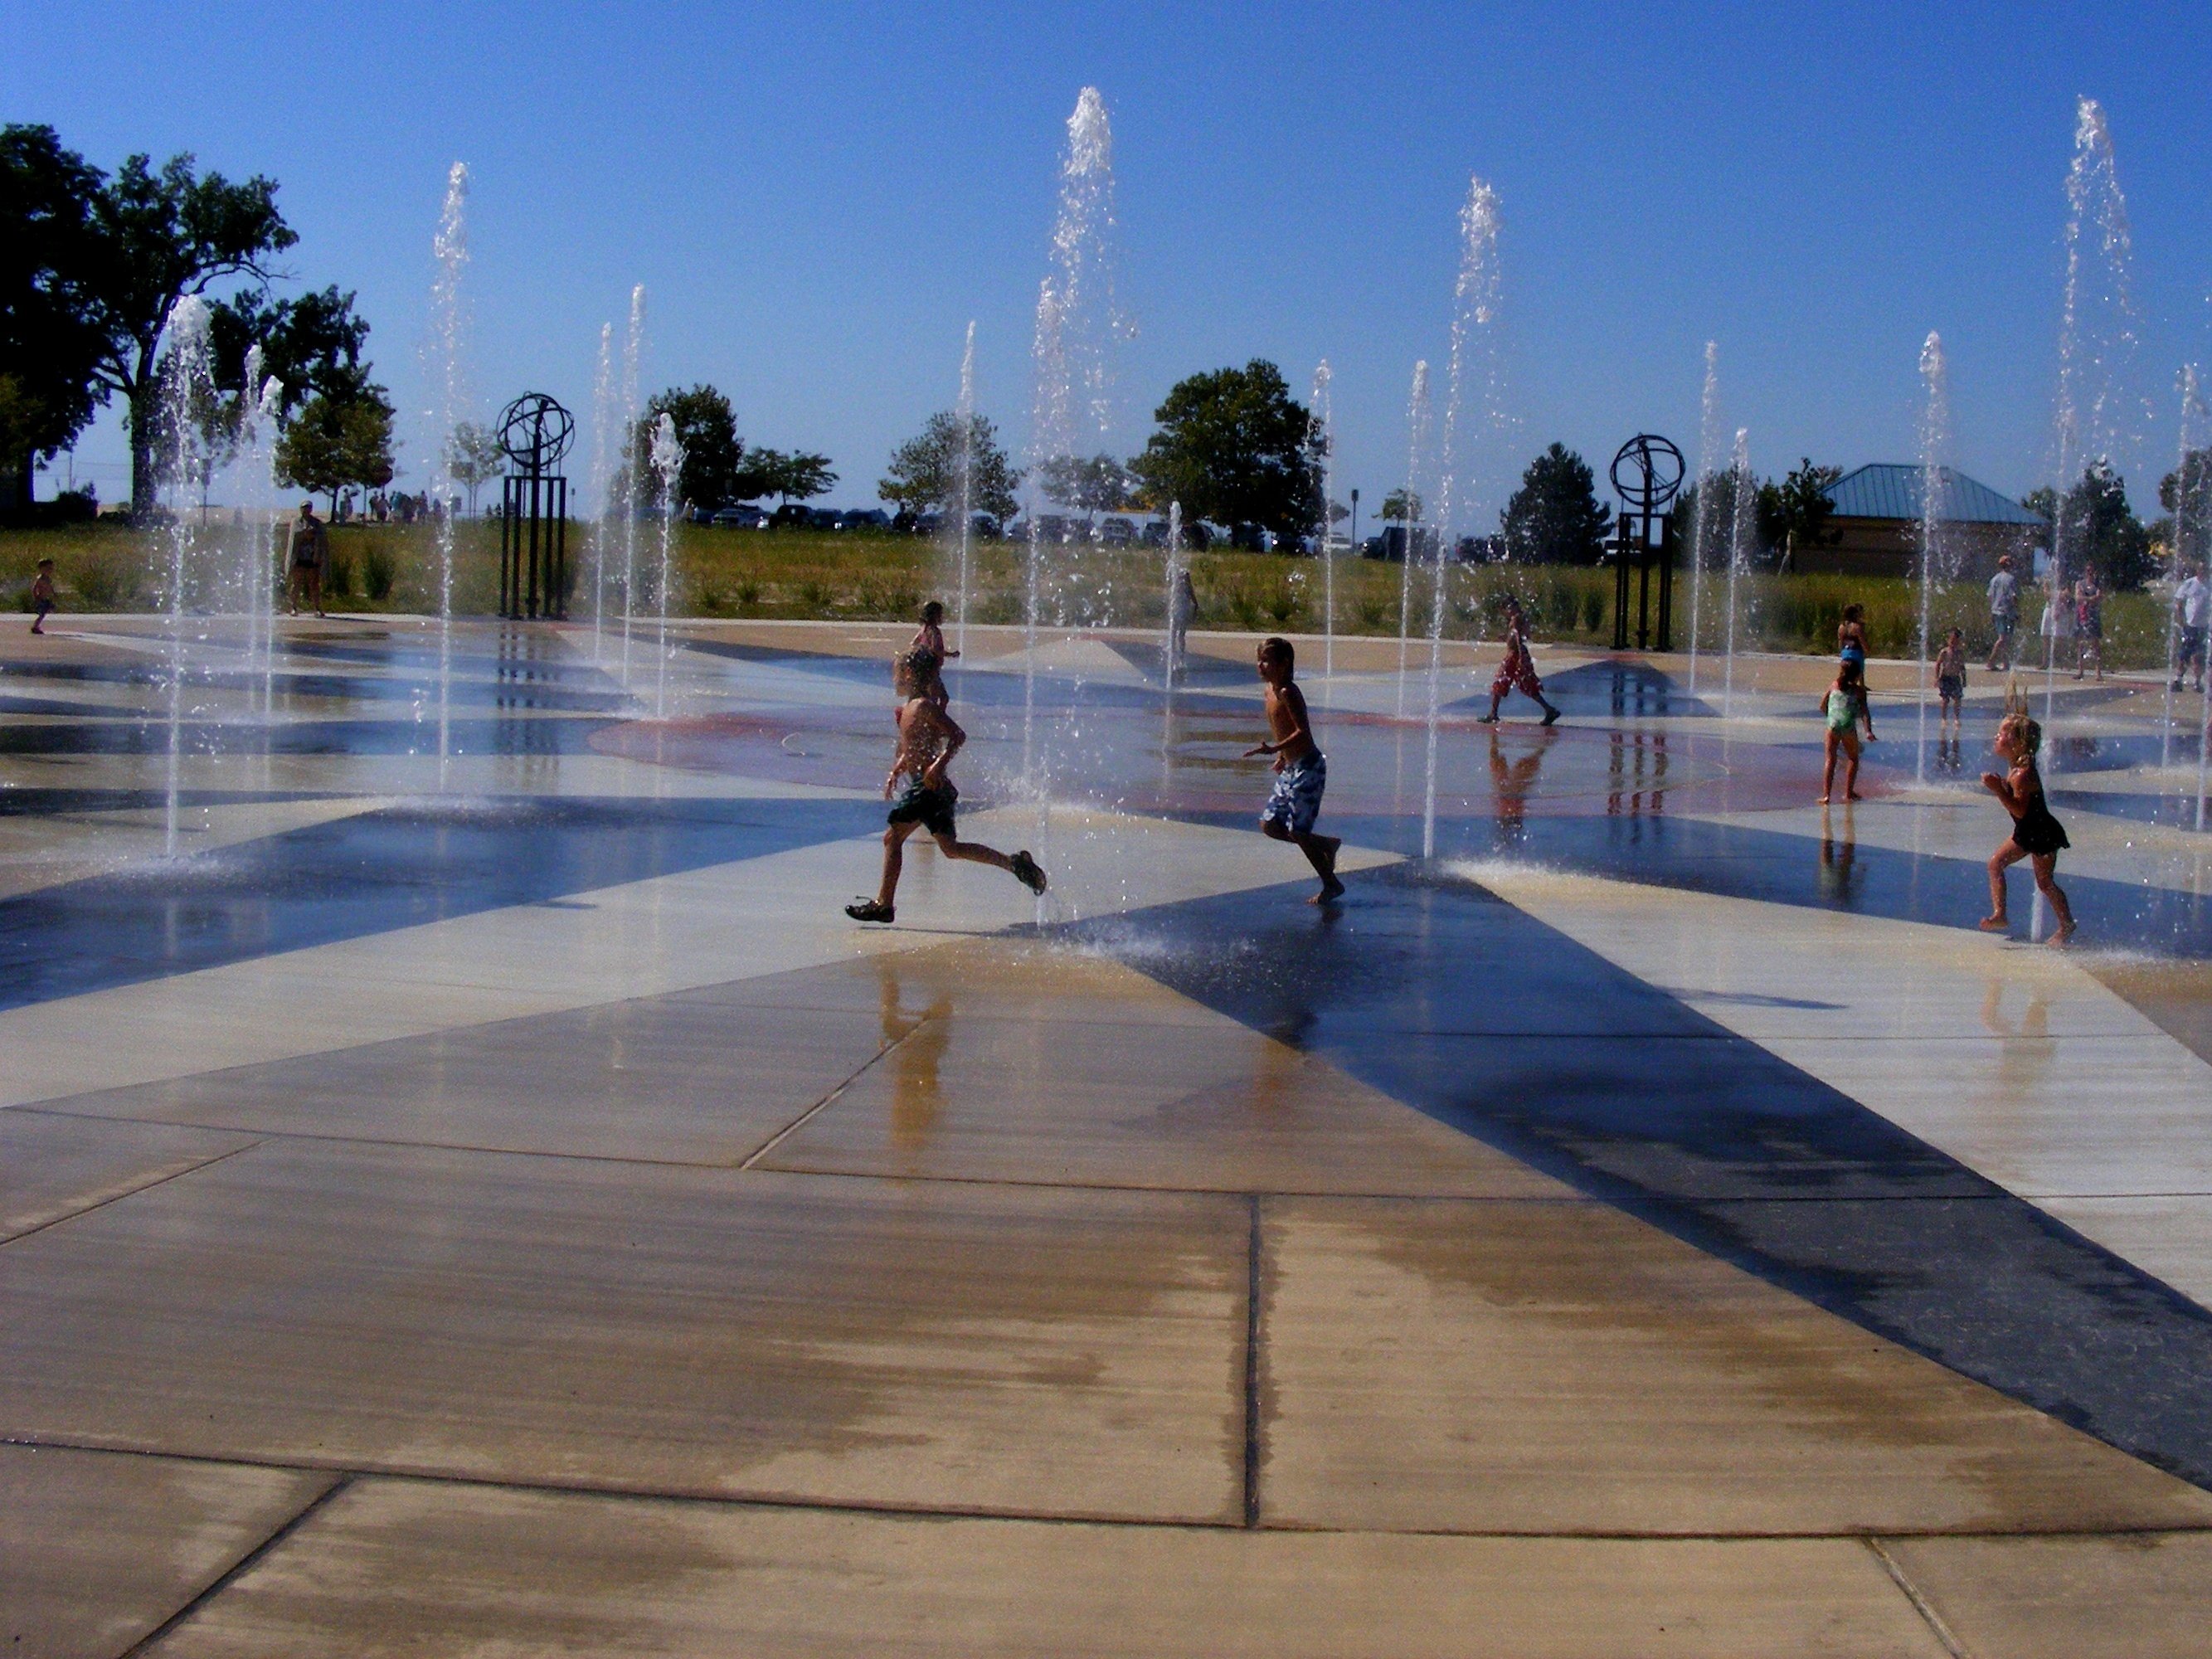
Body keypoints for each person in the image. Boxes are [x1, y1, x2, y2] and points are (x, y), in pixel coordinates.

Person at [845, 649, 1045, 925]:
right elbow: (915, 746)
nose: (892, 680)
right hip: (929, 788)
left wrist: (938, 766)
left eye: (895, 673)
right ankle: (1014, 864)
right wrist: (899, 767)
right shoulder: (910, 708)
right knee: (951, 849)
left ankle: (884, 904)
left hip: (928, 788)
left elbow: (957, 736)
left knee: (893, 838)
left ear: (908, 674)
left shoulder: (924, 707)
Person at [1245, 635, 1344, 902]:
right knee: (1269, 825)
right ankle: (1325, 844)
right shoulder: (1269, 691)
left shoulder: (1289, 691)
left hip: (1309, 767)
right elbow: (1282, 726)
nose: (1261, 666)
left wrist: (1275, 749)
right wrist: (1283, 757)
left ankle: (1331, 883)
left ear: (1284, 663)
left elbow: (1303, 732)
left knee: (1298, 831)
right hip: (1291, 766)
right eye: (1259, 660)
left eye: (1267, 661)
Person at [1979, 711, 2075, 946]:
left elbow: (2020, 810)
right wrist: (2002, 784)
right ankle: (2000, 914)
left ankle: (2067, 924)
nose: (1996, 736)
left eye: (2002, 734)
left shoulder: (2023, 775)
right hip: (2026, 830)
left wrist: (1999, 790)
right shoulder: (2015, 770)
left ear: (2018, 743)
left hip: (2041, 833)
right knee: (1995, 864)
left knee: (2045, 882)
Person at [1477, 596, 1562, 726]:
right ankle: (1549, 710)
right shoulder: (1522, 617)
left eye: (1507, 609)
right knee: (1527, 685)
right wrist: (1507, 637)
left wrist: (1520, 656)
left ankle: (1493, 714)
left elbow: (1518, 637)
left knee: (1500, 681)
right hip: (1520, 654)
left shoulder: (1516, 618)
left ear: (1511, 607)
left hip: (1515, 655)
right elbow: (1525, 635)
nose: (1506, 612)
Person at [1819, 662, 1875, 804]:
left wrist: (1832, 716)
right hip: (1848, 726)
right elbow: (1865, 713)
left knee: (1830, 760)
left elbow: (1822, 705)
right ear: (1857, 675)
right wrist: (1868, 731)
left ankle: (1826, 796)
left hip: (1832, 726)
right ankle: (1848, 793)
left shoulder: (1834, 685)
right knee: (1853, 758)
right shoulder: (1859, 691)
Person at [285, 501, 328, 617]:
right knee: (296, 583)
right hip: (299, 557)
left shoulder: (317, 523)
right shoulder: (296, 522)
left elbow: (320, 537)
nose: (307, 510)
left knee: (314, 584)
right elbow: (295, 536)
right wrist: (304, 534)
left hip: (312, 557)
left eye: (309, 508)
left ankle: (318, 608)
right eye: (304, 508)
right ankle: (293, 607)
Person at [2173, 563, 2209, 693]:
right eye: (2201, 569)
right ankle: (2178, 680)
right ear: (2197, 570)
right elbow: (2179, 603)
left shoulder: (2209, 585)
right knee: (2184, 655)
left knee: (2199, 656)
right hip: (2190, 626)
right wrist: (2181, 621)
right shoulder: (2189, 584)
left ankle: (2197, 682)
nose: (2203, 571)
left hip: (2203, 627)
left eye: (2205, 569)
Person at [1986, 554, 2020, 669]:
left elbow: (1990, 596)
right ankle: (1991, 662)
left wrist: (1991, 610)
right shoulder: (2011, 579)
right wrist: (2017, 610)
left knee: (2005, 638)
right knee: (2003, 638)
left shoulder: (1994, 579)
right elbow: (2014, 596)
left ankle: (2006, 663)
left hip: (1996, 611)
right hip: (2006, 612)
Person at [2073, 565, 2104, 680]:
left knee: (2095, 643)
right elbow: (2078, 597)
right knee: (2080, 643)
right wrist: (2091, 599)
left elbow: (2099, 597)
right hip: (2082, 615)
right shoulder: (2079, 583)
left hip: (2093, 615)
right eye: (2087, 571)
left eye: (2091, 571)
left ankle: (2098, 672)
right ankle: (2080, 670)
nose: (2089, 573)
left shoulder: (2097, 585)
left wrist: (2086, 598)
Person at [1935, 626, 1966, 734]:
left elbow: (1962, 667)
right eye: (1951, 640)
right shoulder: (1944, 652)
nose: (1953, 642)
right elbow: (1938, 664)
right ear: (1948, 640)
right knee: (1945, 699)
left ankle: (1956, 718)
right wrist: (1937, 677)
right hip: (1946, 678)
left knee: (1957, 699)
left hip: (1956, 678)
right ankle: (1944, 718)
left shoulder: (1960, 653)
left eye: (1956, 640)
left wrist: (1964, 679)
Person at [1169, 567, 1197, 679]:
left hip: (1182, 611)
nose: (1184, 580)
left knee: (1180, 635)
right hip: (1177, 611)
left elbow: (1194, 600)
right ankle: (1173, 655)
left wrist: (1194, 610)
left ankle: (1180, 656)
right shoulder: (1177, 587)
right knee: (1174, 634)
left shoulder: (1186, 588)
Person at [1837, 602, 1869, 679]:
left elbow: (1840, 641)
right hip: (1856, 653)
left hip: (1845, 652)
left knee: (1843, 670)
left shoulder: (1841, 627)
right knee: (1860, 669)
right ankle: (1861, 686)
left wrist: (1841, 652)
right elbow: (1862, 641)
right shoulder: (1856, 627)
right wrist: (1867, 650)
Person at [29, 558, 56, 634]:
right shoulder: (40, 579)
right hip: (41, 598)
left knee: (46, 611)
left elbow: (50, 587)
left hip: (46, 598)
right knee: (42, 614)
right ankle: (35, 626)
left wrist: (53, 593)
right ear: (42, 569)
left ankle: (36, 626)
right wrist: (36, 596)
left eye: (51, 568)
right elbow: (35, 588)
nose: (50, 570)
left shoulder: (48, 579)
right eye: (48, 568)